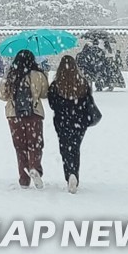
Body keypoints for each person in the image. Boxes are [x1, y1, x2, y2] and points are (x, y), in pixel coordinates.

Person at [0, 49, 49, 189]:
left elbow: (1, 95)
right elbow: (45, 94)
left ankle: (24, 179)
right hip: (34, 114)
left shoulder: (11, 75)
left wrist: (6, 78)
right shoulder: (37, 75)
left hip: (14, 116)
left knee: (20, 147)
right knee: (35, 145)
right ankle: (35, 168)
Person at [47, 54, 97, 194]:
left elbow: (52, 104)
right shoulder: (83, 83)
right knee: (75, 148)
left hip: (62, 122)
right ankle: (74, 173)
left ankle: (69, 174)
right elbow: (88, 102)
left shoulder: (55, 85)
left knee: (65, 149)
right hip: (79, 122)